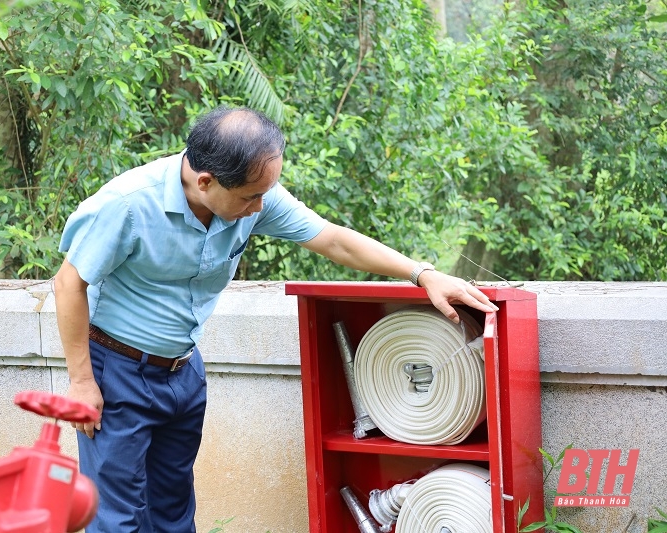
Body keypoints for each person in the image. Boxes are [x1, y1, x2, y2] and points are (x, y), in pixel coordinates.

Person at [53, 105, 498, 533]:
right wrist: (81, 382)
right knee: (118, 517)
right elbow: (68, 284)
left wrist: (423, 274)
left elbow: (333, 241)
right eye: (251, 197)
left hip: (183, 372)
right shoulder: (128, 204)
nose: (260, 208)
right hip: (116, 373)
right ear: (205, 182)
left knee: (172, 509)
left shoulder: (249, 192)